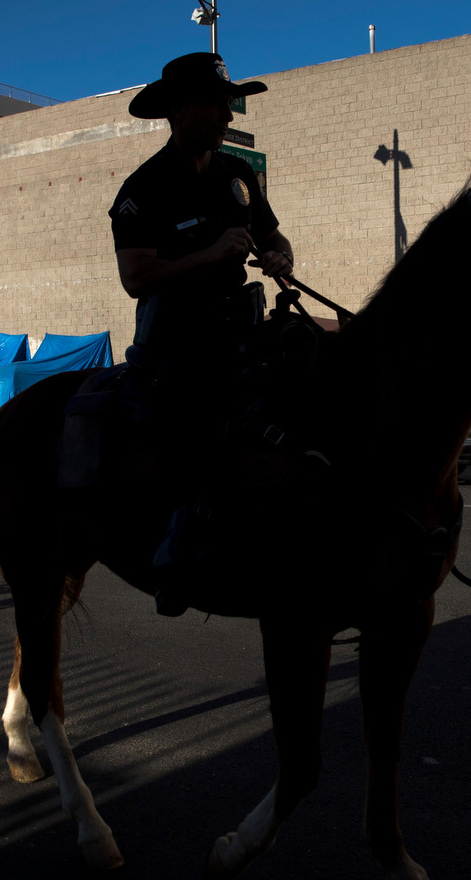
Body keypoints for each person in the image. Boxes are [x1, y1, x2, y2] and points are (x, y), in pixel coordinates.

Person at [110, 52, 296, 614]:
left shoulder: (237, 175)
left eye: (227, 102)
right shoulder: (144, 188)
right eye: (216, 103)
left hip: (241, 322)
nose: (226, 112)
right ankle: (176, 546)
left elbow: (274, 237)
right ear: (177, 110)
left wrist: (279, 256)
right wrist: (211, 253)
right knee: (198, 412)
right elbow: (136, 276)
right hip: (177, 336)